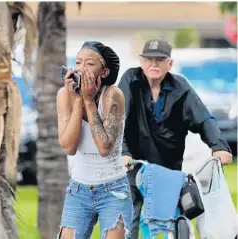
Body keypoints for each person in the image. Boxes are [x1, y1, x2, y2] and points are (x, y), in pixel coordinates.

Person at [118, 39, 233, 239]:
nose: (154, 64)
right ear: (141, 61)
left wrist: (219, 146)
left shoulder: (181, 87)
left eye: (160, 60)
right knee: (129, 219)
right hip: (133, 166)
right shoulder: (130, 79)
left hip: (167, 170)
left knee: (174, 223)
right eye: (149, 59)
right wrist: (123, 153)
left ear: (169, 64)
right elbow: (119, 120)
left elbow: (204, 118)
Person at [57, 41, 133, 239]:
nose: (81, 68)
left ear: (104, 72)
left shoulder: (113, 96)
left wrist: (89, 101)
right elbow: (69, 146)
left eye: (89, 64)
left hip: (113, 189)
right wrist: (77, 100)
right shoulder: (65, 95)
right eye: (78, 62)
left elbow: (104, 147)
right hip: (79, 189)